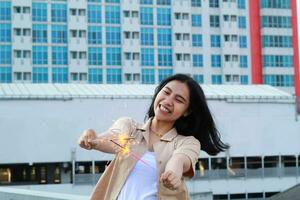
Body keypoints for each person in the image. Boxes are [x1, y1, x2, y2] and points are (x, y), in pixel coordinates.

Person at [78, 74, 229, 200]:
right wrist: (93, 140)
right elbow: (114, 138)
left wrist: (173, 173)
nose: (168, 101)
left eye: (179, 99)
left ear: (186, 111)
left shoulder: (187, 142)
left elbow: (180, 159)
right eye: (166, 92)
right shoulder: (130, 127)